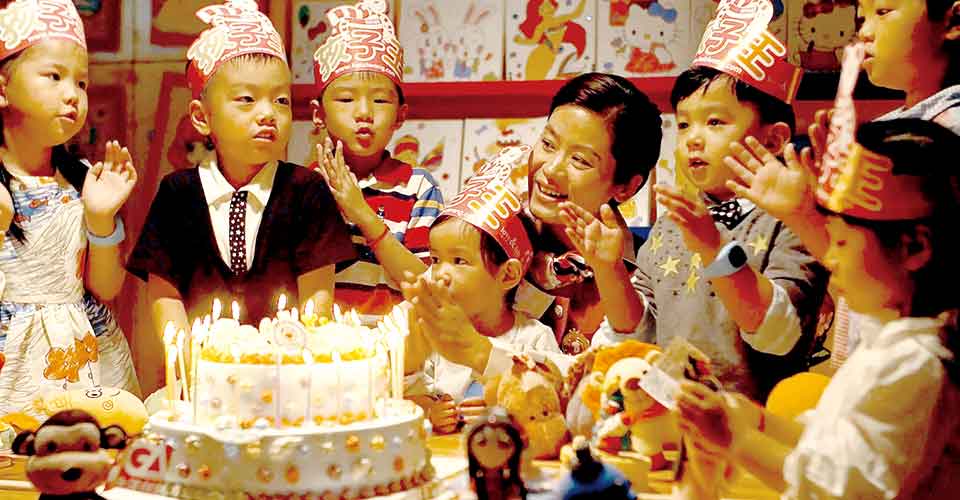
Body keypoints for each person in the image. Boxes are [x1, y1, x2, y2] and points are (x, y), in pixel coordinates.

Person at [677, 118, 960, 500]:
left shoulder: (914, 362)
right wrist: (759, 422)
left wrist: (735, 439)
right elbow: (832, 445)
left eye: (841, 243)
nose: (829, 258)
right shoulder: (893, 342)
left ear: (914, 248)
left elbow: (840, 486)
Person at [565, 2, 829, 400]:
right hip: (667, 415)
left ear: (774, 139)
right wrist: (609, 269)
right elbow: (640, 335)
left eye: (715, 122)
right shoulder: (674, 222)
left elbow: (778, 334)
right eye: (685, 123)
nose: (693, 138)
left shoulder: (793, 220)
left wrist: (714, 249)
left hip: (751, 424)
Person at [725, 0, 960, 363]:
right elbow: (861, 263)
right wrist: (804, 213)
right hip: (871, 357)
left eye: (883, 12)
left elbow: (925, 274)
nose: (864, 32)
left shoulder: (946, 132)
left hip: (918, 365)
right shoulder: (884, 130)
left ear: (954, 19)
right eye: (862, 18)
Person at [402, 72, 662, 389]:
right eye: (548, 144)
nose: (550, 170)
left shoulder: (639, 277)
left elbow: (612, 383)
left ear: (626, 187)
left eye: (580, 160)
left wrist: (483, 354)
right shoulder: (489, 235)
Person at [127, 0, 355, 339]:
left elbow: (316, 308)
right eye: (247, 99)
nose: (267, 114)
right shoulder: (177, 194)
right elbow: (165, 295)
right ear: (201, 117)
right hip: (202, 367)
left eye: (281, 100)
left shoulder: (307, 191)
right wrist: (185, 357)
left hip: (288, 365)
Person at [0, 0, 139, 414]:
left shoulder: (82, 177)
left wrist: (100, 218)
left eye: (81, 83)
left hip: (83, 356)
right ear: (3, 87)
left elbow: (107, 288)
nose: (72, 95)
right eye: (54, 76)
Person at [404, 159, 560, 434]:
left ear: (508, 275)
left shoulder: (534, 338)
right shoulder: (434, 332)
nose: (440, 274)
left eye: (459, 261)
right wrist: (430, 409)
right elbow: (407, 392)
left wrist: (509, 412)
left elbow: (551, 404)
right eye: (436, 259)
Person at [311, 0, 444, 324]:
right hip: (322, 345)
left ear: (400, 115)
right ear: (318, 114)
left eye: (380, 100)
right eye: (346, 99)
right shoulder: (304, 187)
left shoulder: (418, 187)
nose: (364, 112)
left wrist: (361, 213)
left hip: (396, 347)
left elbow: (426, 286)